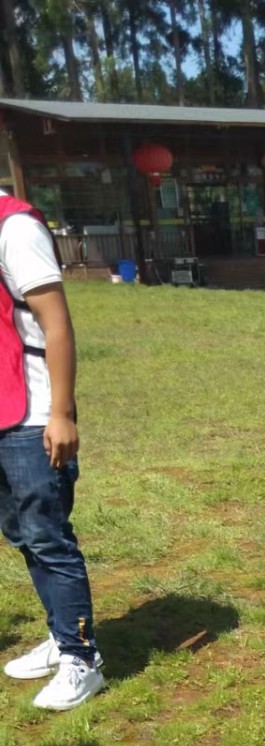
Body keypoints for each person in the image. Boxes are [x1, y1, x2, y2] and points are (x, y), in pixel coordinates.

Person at [0, 194, 105, 709]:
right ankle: (62, 634)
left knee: (48, 538)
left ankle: (82, 658)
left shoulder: (14, 228)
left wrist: (60, 413)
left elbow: (55, 322)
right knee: (22, 534)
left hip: (33, 415)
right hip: (2, 412)